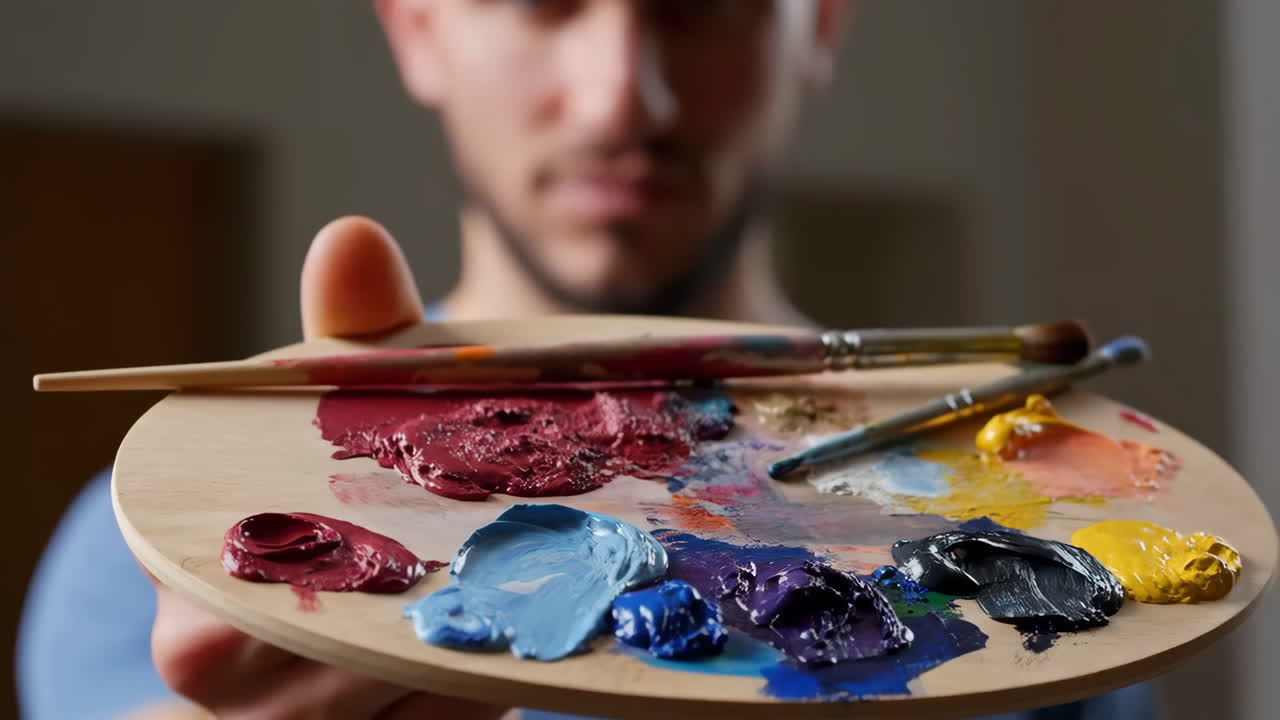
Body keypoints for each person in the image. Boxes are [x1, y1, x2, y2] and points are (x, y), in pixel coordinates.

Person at [18, 1, 1158, 718]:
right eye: (543, 3)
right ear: (415, 25)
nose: (623, 92)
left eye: (696, 6)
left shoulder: (1019, 552)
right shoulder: (149, 551)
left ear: (818, 27)